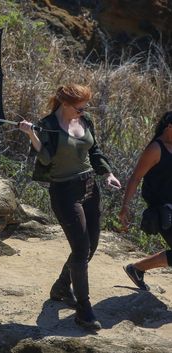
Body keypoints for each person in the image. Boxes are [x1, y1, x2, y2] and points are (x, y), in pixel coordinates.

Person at [19, 84, 121, 330]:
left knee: (92, 245)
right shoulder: (48, 126)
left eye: (85, 106)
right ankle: (84, 310)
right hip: (64, 192)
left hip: (89, 187)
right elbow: (45, 159)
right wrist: (32, 134)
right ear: (65, 104)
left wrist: (106, 173)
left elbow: (93, 150)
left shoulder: (85, 120)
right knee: (81, 248)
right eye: (80, 107)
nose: (84, 111)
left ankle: (62, 287)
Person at [119, 111, 172, 291]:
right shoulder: (156, 149)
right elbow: (135, 178)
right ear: (169, 127)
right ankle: (137, 268)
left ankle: (137, 268)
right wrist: (125, 206)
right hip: (162, 210)